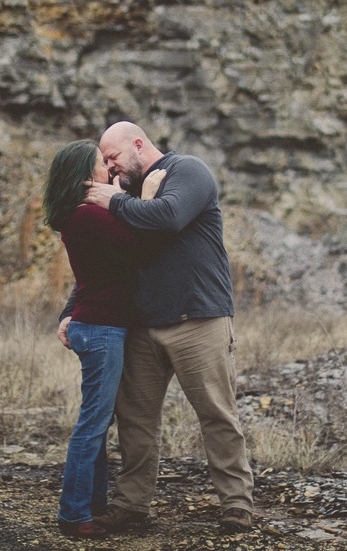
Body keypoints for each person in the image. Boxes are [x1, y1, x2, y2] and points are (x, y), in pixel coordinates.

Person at [58, 121, 255, 535]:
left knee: (217, 414)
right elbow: (104, 263)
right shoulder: (125, 196)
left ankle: (236, 504)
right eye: (105, 163)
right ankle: (132, 504)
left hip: (197, 318)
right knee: (135, 421)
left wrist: (113, 201)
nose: (110, 169)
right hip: (142, 327)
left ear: (137, 144)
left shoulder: (187, 171)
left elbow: (167, 217)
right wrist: (71, 308)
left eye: (112, 158)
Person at [44, 139, 165, 539]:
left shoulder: (80, 216)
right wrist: (147, 196)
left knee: (97, 420)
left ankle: (91, 505)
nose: (110, 171)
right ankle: (74, 515)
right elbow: (144, 244)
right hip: (102, 329)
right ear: (84, 176)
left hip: (97, 326)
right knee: (92, 424)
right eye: (102, 165)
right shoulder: (87, 217)